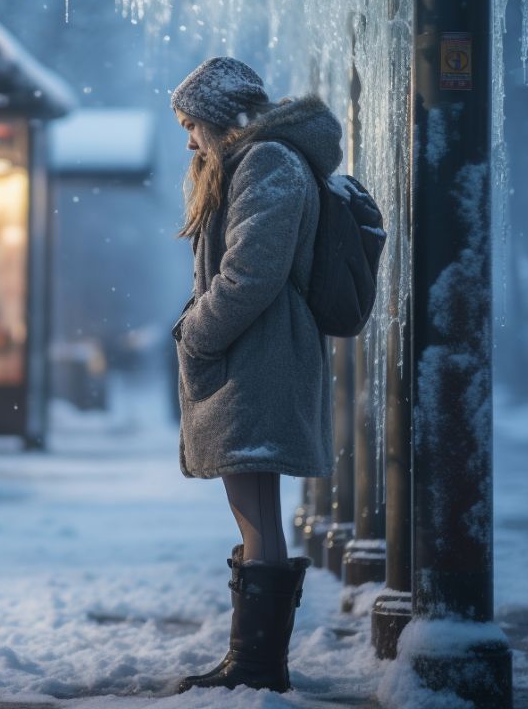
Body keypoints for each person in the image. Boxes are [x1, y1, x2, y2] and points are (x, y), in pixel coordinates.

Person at [168, 57, 339, 694]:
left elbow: (251, 273)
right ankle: (252, 659)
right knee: (252, 509)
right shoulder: (257, 161)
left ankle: (258, 665)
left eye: (191, 124)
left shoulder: (267, 161)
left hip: (259, 359)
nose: (188, 139)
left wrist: (195, 333)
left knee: (257, 512)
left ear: (219, 118)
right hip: (253, 356)